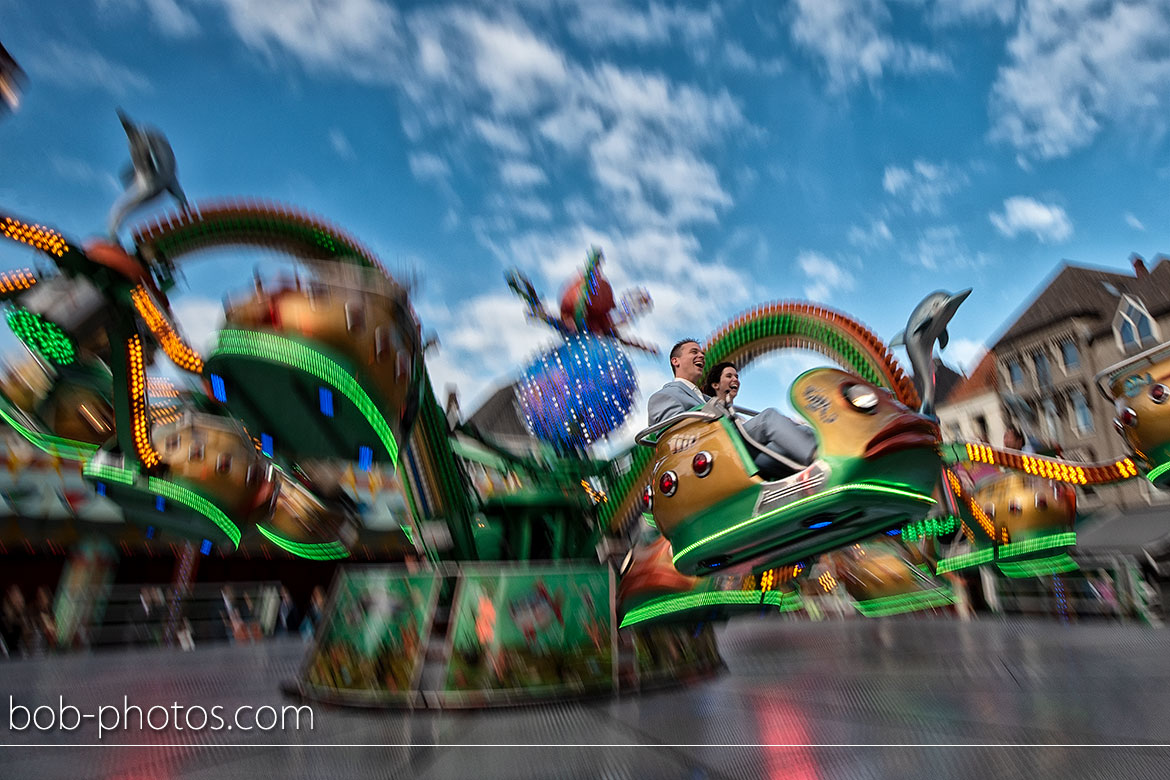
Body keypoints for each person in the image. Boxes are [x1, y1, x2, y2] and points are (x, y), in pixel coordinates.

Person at [647, 340, 817, 476]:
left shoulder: (706, 398)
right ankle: (820, 458)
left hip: (732, 444)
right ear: (675, 361)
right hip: (715, 447)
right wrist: (677, 435)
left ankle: (808, 472)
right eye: (694, 352)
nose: (701, 355)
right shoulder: (665, 395)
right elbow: (670, 434)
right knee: (768, 418)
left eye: (702, 353)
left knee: (783, 445)